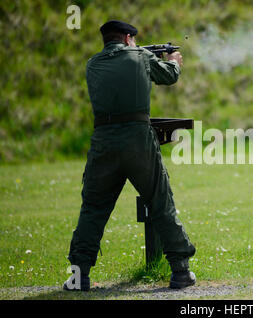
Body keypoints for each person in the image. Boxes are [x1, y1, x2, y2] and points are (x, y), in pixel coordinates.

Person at [63, 20, 196, 291]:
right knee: (160, 202)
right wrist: (173, 61)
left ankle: (78, 276)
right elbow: (168, 76)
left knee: (93, 209)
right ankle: (180, 271)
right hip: (137, 141)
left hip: (103, 142)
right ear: (127, 38)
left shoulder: (93, 64)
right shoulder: (141, 56)